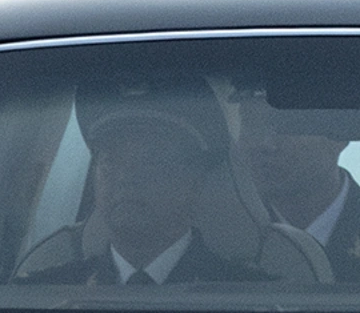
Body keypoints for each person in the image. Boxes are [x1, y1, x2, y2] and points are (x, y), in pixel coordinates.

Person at [16, 78, 267, 285]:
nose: (126, 178)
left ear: (195, 183)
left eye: (152, 161)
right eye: (110, 161)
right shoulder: (44, 292)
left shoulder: (247, 294)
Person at [235, 92, 360, 282]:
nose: (265, 144)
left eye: (287, 127)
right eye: (251, 126)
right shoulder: (223, 238)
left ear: (338, 138)